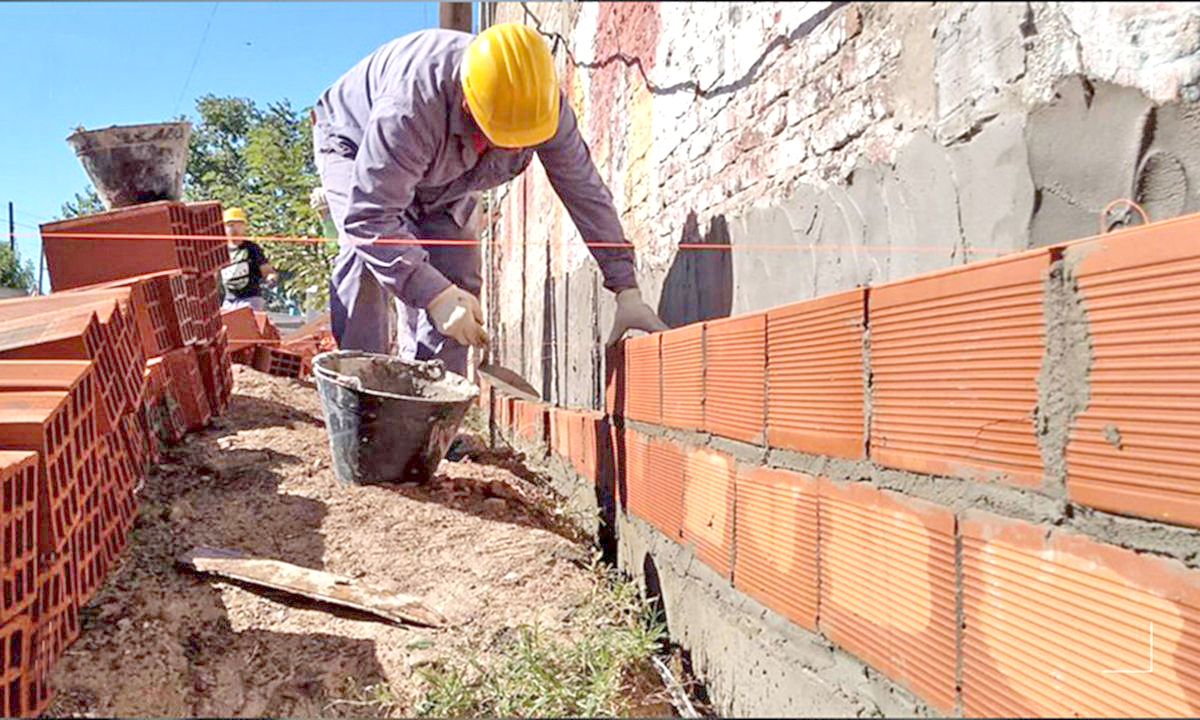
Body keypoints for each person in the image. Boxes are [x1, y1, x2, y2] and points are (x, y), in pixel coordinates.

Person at [311, 23, 668, 376]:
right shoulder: (411, 104)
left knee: (459, 284)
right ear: (469, 103)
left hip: (442, 180)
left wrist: (625, 286)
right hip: (353, 142)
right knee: (365, 258)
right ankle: (362, 390)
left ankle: (432, 403)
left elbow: (584, 190)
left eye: (521, 144)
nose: (512, 149)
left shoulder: (541, 109)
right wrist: (434, 295)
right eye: (500, 138)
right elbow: (370, 219)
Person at [220, 207, 278, 312]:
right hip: (229, 300)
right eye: (230, 225)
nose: (234, 229)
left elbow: (266, 270)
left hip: (251, 298)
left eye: (238, 225)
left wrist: (271, 277)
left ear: (244, 227)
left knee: (248, 320)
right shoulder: (221, 250)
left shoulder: (252, 248)